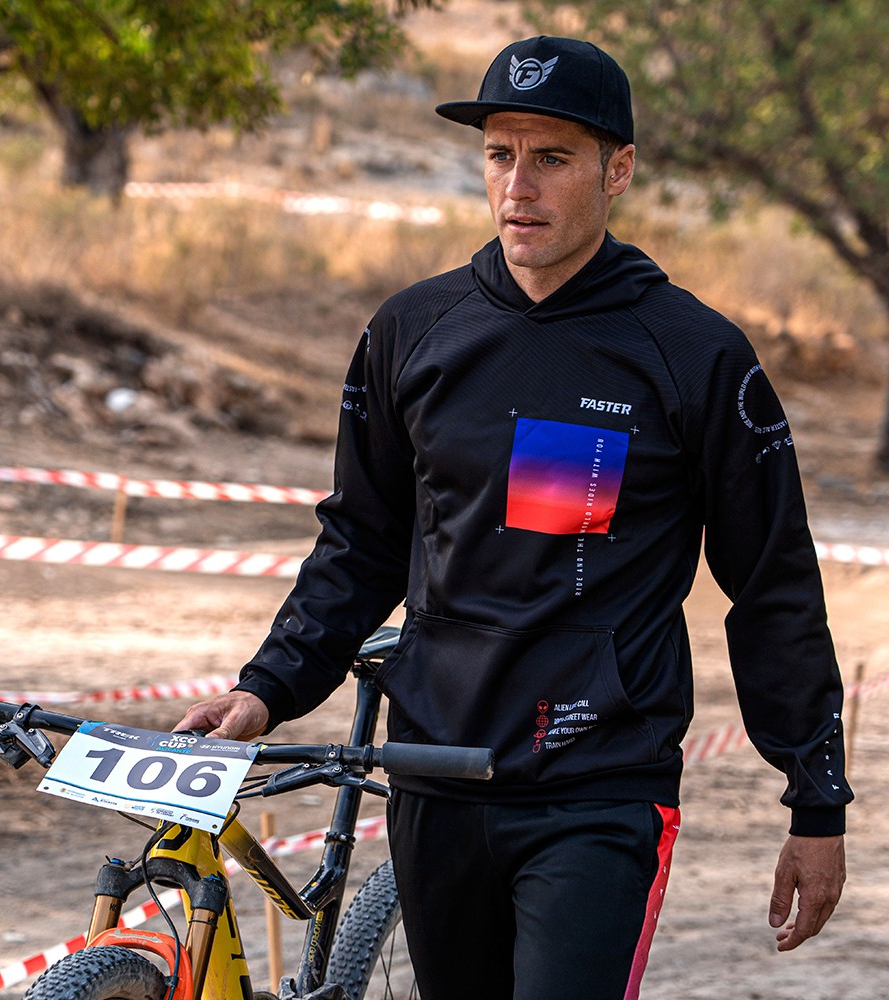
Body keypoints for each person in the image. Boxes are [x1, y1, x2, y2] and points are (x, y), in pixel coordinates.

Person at [176, 35, 852, 999]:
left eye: (553, 157)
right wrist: (267, 688)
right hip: (433, 771)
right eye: (500, 153)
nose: (519, 186)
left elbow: (773, 585)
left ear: (618, 170)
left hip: (599, 788)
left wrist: (815, 801)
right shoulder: (412, 329)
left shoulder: (693, 354)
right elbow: (362, 542)